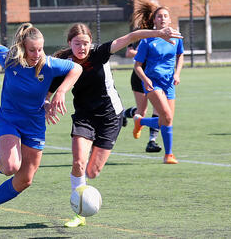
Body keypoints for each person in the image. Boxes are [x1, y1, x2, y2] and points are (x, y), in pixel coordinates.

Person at [50, 22, 182, 227]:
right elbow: (48, 88)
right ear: (69, 43)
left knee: (92, 172)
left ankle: (84, 191)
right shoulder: (63, 61)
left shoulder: (100, 53)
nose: (82, 48)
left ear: (91, 43)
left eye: (85, 43)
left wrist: (159, 33)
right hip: (84, 116)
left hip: (110, 117)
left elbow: (130, 37)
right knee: (78, 163)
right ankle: (79, 212)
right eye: (77, 44)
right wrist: (45, 103)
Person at [0, 23, 82, 229]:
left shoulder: (49, 64)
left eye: (40, 49)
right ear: (23, 48)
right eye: (32, 50)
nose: (36, 54)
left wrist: (61, 92)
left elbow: (76, 68)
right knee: (11, 167)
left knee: (25, 179)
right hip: (9, 120)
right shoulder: (10, 59)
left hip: (34, 125)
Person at [132, 0, 184, 164]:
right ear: (154, 20)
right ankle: (168, 155)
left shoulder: (176, 36)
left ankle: (140, 121)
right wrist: (146, 80)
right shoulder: (147, 40)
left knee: (167, 120)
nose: (162, 19)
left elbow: (180, 55)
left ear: (170, 20)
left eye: (165, 16)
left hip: (169, 83)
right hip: (152, 82)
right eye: (159, 16)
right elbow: (137, 66)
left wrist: (177, 73)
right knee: (166, 116)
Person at [123, 41, 162, 153]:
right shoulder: (139, 35)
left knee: (158, 109)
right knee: (141, 112)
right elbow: (129, 53)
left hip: (156, 76)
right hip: (139, 76)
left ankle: (152, 141)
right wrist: (146, 52)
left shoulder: (162, 36)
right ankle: (123, 114)